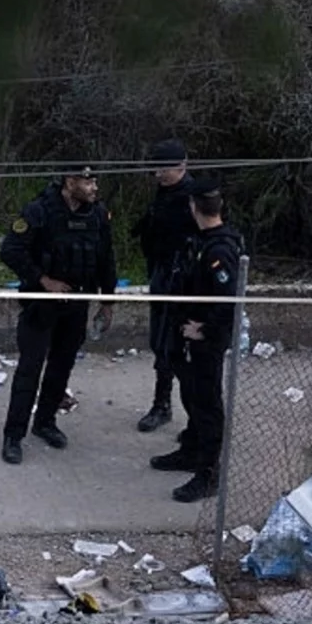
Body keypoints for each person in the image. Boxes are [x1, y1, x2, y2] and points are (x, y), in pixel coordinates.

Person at [0, 166, 117, 465]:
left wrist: (108, 300)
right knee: (30, 369)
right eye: (88, 180)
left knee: (61, 367)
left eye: (94, 179)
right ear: (70, 181)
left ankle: (45, 422)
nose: (94, 187)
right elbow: (10, 251)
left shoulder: (98, 215)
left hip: (76, 303)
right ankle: (14, 435)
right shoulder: (39, 211)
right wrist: (44, 280)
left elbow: (106, 257)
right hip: (42, 304)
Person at [152, 183, 243, 503]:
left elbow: (228, 301)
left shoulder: (220, 249)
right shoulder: (200, 241)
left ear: (194, 207)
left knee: (207, 403)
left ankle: (208, 472)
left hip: (204, 340)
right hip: (185, 332)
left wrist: (204, 330)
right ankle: (191, 449)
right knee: (191, 394)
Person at [130, 138, 196, 432]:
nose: (158, 174)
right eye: (156, 168)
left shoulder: (193, 197)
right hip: (162, 273)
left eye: (164, 168)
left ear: (181, 166)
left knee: (181, 349)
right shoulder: (164, 193)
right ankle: (162, 404)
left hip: (185, 282)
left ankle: (194, 416)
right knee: (161, 343)